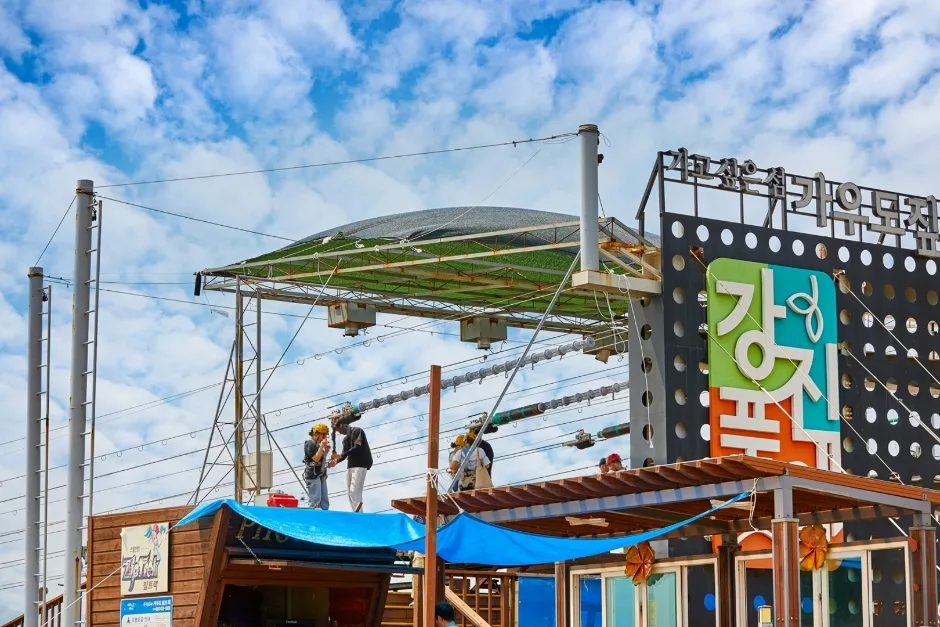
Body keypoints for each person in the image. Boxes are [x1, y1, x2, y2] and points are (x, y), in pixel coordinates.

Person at [329, 421, 373, 512]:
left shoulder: (357, 431)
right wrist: (336, 461)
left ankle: (359, 514)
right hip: (350, 466)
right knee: (350, 492)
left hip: (360, 464)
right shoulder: (345, 439)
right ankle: (356, 512)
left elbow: (358, 446)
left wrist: (341, 455)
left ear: (342, 425)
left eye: (338, 429)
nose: (339, 432)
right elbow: (344, 455)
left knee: (354, 491)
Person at [304, 424, 331, 509]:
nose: (324, 438)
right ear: (317, 434)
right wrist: (322, 446)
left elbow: (320, 459)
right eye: (324, 435)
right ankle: (314, 514)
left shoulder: (317, 445)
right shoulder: (310, 444)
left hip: (321, 475)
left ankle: (324, 514)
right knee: (315, 500)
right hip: (313, 475)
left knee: (324, 501)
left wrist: (325, 451)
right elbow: (315, 459)